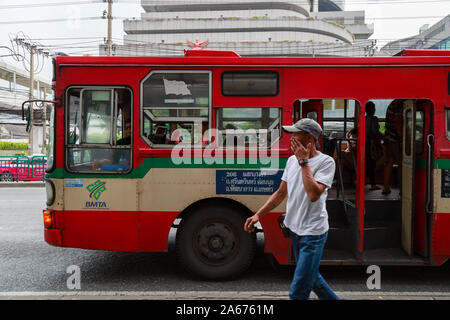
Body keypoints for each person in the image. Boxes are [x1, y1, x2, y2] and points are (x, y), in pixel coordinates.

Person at [244, 118, 339, 301]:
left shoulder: (326, 163)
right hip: (295, 231)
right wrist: (258, 215)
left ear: (309, 138)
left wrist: (304, 162)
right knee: (313, 280)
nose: (291, 138)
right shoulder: (291, 161)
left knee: (297, 292)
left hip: (313, 234)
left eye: (295, 134)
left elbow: (313, 194)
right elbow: (280, 193)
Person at [382, 99, 403, 195]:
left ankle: (386, 187)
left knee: (388, 162)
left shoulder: (393, 104)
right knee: (402, 163)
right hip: (396, 139)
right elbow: (398, 124)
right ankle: (403, 188)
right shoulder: (399, 104)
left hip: (388, 138)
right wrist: (402, 138)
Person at [365, 102, 382, 191]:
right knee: (372, 164)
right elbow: (375, 133)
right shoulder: (374, 119)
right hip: (370, 145)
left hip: (364, 145)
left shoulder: (363, 119)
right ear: (372, 110)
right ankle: (373, 184)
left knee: (366, 164)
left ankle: (358, 180)